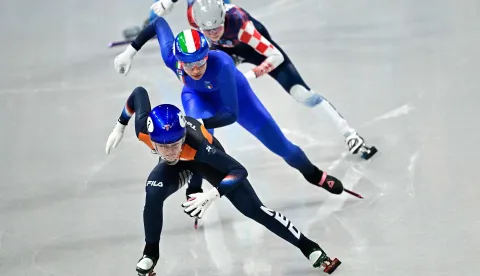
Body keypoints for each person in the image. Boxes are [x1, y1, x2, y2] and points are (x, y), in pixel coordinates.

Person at [114, 17, 365, 199]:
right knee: (194, 138)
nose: (196, 68)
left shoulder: (221, 63)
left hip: (236, 99)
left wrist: (202, 124)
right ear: (178, 59)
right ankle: (194, 186)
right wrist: (130, 52)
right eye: (188, 64)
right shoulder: (172, 56)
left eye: (201, 60)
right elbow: (158, 23)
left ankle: (314, 174)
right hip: (197, 96)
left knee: (284, 148)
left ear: (207, 54)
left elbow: (231, 114)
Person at [104, 86, 342, 274]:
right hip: (180, 165)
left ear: (183, 137)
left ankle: (309, 247)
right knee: (153, 193)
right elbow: (138, 93)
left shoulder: (197, 144)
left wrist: (213, 194)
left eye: (175, 144)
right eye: (162, 147)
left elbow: (238, 170)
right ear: (151, 139)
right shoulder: (143, 130)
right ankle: (150, 253)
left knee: (253, 209)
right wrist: (120, 125)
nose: (169, 152)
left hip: (205, 160)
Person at [149, 0, 377, 159]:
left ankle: (349, 134)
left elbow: (275, 56)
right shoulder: (197, 14)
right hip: (225, 54)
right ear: (197, 23)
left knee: (302, 94)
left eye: (217, 27)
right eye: (206, 30)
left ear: (223, 19)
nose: (213, 33)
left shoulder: (242, 26)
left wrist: (251, 74)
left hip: (256, 51)